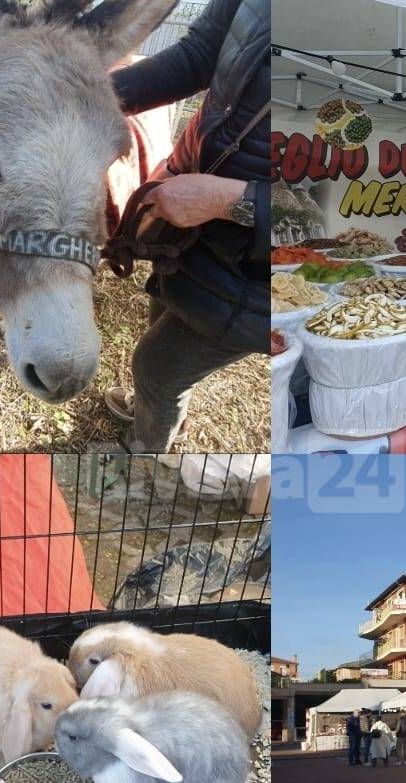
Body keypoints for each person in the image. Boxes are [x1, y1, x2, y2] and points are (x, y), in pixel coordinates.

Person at [107, 0, 270, 451]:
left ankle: (145, 449)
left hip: (257, 268)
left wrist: (227, 200)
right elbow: (200, 54)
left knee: (156, 368)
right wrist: (91, 93)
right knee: (165, 309)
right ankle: (158, 412)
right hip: (194, 223)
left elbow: (345, 208)